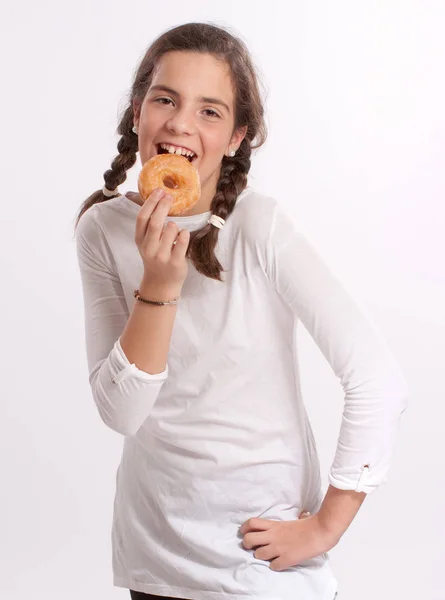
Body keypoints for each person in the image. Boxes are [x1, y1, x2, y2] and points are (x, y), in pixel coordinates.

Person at [74, 22, 409, 600]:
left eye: (210, 111)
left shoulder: (260, 227)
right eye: (165, 99)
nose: (181, 123)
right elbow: (122, 413)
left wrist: (326, 526)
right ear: (138, 113)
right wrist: (159, 283)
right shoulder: (102, 231)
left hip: (261, 559)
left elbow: (376, 378)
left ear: (236, 137)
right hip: (154, 555)